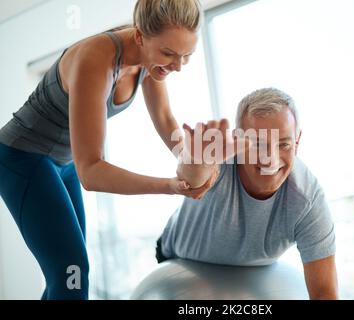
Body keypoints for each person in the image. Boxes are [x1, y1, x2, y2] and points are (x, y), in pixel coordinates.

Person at [0, 0, 215, 300]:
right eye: (168, 54)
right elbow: (92, 172)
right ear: (140, 36)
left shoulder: (150, 62)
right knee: (71, 270)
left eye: (186, 56)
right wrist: (170, 187)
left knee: (65, 272)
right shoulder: (95, 59)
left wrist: (193, 164)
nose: (177, 66)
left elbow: (165, 119)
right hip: (22, 158)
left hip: (65, 162)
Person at [157, 88, 339, 299]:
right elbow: (191, 178)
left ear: (297, 141)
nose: (270, 159)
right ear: (237, 140)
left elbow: (325, 293)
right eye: (258, 144)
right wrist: (195, 160)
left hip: (254, 275)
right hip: (182, 263)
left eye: (283, 144)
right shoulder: (219, 159)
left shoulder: (307, 200)